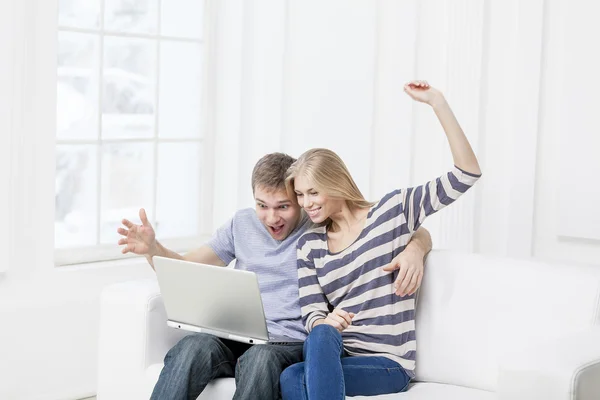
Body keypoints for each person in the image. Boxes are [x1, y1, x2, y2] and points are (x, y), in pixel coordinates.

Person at [117, 152, 432, 400]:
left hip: (286, 341)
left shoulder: (318, 226)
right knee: (190, 348)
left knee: (260, 361)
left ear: (300, 198)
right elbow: (186, 268)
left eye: (283, 206)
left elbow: (390, 225)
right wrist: (152, 249)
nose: (272, 217)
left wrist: (416, 247)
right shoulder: (240, 224)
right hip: (233, 335)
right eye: (262, 205)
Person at [280, 80, 482, 400]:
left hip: (389, 364)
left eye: (313, 192)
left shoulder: (393, 211)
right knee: (302, 358)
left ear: (336, 183)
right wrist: (327, 320)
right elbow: (312, 312)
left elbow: (466, 174)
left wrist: (438, 103)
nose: (306, 204)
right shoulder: (310, 245)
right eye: (301, 195)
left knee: (303, 368)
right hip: (341, 356)